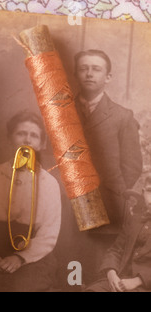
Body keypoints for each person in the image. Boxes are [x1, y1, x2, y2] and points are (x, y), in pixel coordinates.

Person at [0, 111, 61, 291]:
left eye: (34, 136)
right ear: (10, 139)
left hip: (32, 257)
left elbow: (48, 233)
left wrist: (20, 258)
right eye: (21, 133)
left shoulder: (48, 184)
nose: (27, 140)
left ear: (41, 144)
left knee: (19, 287)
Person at [73, 49, 143, 283]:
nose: (89, 74)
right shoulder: (61, 112)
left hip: (107, 206)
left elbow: (132, 166)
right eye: (83, 68)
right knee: (68, 262)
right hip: (67, 203)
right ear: (76, 73)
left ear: (108, 77)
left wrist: (117, 196)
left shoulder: (122, 116)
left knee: (97, 269)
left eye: (96, 69)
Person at [84, 174, 151, 292]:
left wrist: (137, 281)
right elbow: (116, 250)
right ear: (143, 192)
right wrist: (111, 273)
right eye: (150, 191)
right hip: (120, 279)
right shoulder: (135, 220)